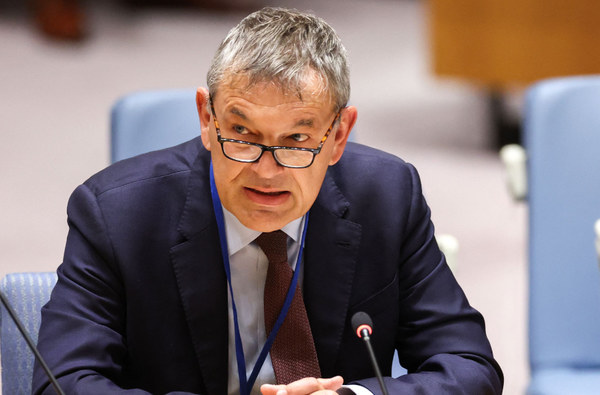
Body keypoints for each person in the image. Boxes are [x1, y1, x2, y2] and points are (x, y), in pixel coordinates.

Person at [33, 7, 504, 395]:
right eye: (241, 133)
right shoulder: (116, 213)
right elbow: (62, 382)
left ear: (338, 135)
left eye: (297, 140)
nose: (266, 170)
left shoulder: (387, 195)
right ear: (206, 117)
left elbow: (469, 366)